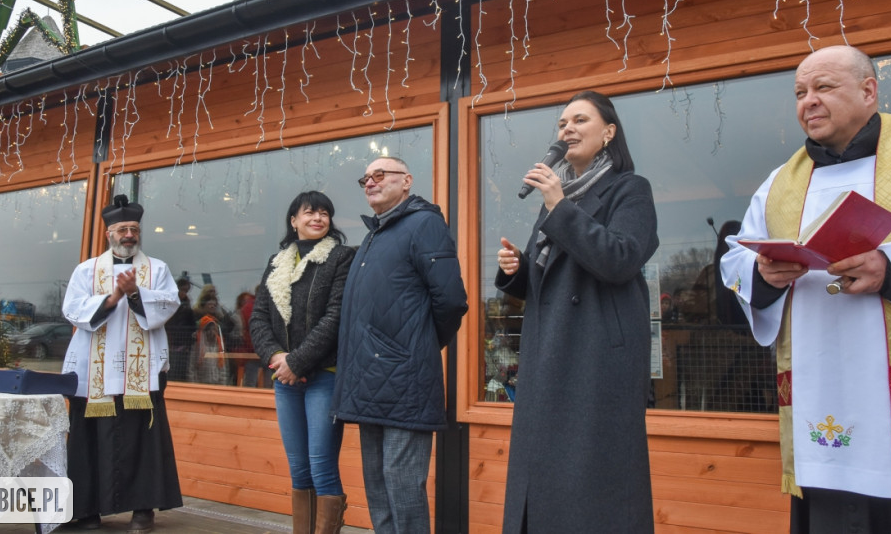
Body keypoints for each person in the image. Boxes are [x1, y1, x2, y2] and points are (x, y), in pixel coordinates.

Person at [720, 45, 891, 532]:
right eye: (799, 93)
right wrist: (762, 273)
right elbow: (734, 259)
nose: (808, 101)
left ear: (868, 90)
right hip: (819, 394)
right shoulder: (780, 183)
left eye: (823, 87)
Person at [495, 90, 658, 533]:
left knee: (593, 486)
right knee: (543, 478)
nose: (567, 129)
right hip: (548, 352)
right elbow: (549, 281)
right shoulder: (558, 197)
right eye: (563, 122)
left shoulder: (629, 190)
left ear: (608, 133)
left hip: (596, 358)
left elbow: (621, 258)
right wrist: (516, 271)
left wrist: (559, 207)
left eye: (580, 120)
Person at [332, 156, 468, 534]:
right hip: (368, 380)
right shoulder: (376, 234)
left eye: (380, 175)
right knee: (377, 486)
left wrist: (420, 345)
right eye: (365, 178)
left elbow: (452, 300)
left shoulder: (424, 224)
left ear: (406, 181)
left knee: (404, 488)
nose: (370, 182)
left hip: (405, 379)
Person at [61, 194, 183, 532]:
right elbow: (72, 309)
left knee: (142, 441)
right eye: (121, 229)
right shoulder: (86, 270)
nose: (129, 235)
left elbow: (167, 305)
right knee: (88, 441)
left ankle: (142, 510)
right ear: (108, 234)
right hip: (93, 371)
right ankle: (85, 511)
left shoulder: (156, 269)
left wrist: (134, 294)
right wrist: (114, 297)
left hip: (139, 375)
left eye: (134, 229)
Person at [250, 191, 356, 534]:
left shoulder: (342, 257)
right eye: (310, 212)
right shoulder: (276, 261)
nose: (318, 218)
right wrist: (276, 357)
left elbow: (336, 317)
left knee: (322, 465)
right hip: (285, 379)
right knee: (299, 468)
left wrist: (297, 361)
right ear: (293, 220)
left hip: (324, 375)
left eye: (325, 213)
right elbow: (259, 318)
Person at [188, 284, 229, 385]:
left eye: (214, 305)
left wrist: (222, 310)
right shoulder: (195, 316)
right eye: (210, 304)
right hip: (200, 381)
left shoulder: (218, 341)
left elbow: (230, 326)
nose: (212, 306)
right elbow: (192, 366)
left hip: (215, 381)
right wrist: (193, 385)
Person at [164, 274, 195, 381]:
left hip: (182, 345)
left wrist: (188, 343)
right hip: (168, 342)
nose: (184, 293)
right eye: (182, 290)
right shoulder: (169, 302)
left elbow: (192, 326)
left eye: (186, 291)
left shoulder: (187, 306)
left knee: (178, 373)